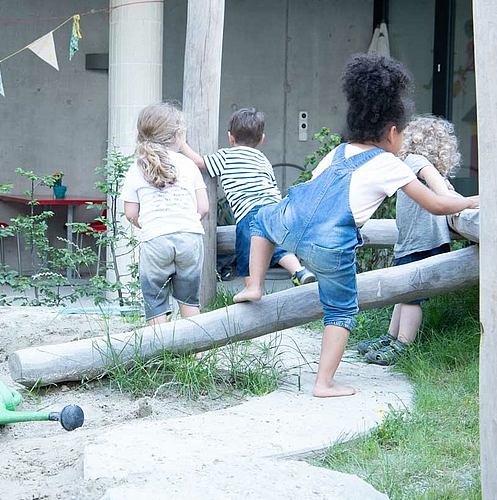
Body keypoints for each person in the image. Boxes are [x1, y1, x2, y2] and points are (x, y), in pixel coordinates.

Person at [232, 53, 479, 397]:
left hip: (289, 223)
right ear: (392, 132)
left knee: (259, 221)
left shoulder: (340, 151)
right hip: (330, 243)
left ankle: (254, 285)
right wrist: (469, 201)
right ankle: (324, 382)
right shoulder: (391, 165)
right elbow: (436, 204)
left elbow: (314, 193)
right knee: (340, 309)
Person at [356, 115, 463, 365]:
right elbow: (443, 191)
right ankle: (395, 339)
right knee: (405, 294)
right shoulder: (417, 162)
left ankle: (401, 343)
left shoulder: (414, 162)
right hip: (418, 241)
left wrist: (460, 204)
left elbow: (443, 191)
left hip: (419, 242)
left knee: (410, 295)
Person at [181, 107, 315, 287]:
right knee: (277, 247)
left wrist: (181, 144)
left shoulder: (226, 156)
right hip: (277, 209)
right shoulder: (262, 159)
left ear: (230, 137)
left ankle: (251, 289)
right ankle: (298, 270)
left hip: (250, 212)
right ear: (261, 139)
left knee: (248, 252)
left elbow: (199, 162)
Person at [121, 102, 208, 326]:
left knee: (155, 300)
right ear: (177, 135)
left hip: (156, 239)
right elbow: (204, 208)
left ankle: (161, 351)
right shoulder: (188, 165)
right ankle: (196, 352)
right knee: (190, 300)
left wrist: (151, 224)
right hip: (190, 236)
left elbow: (130, 213)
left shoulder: (137, 167)